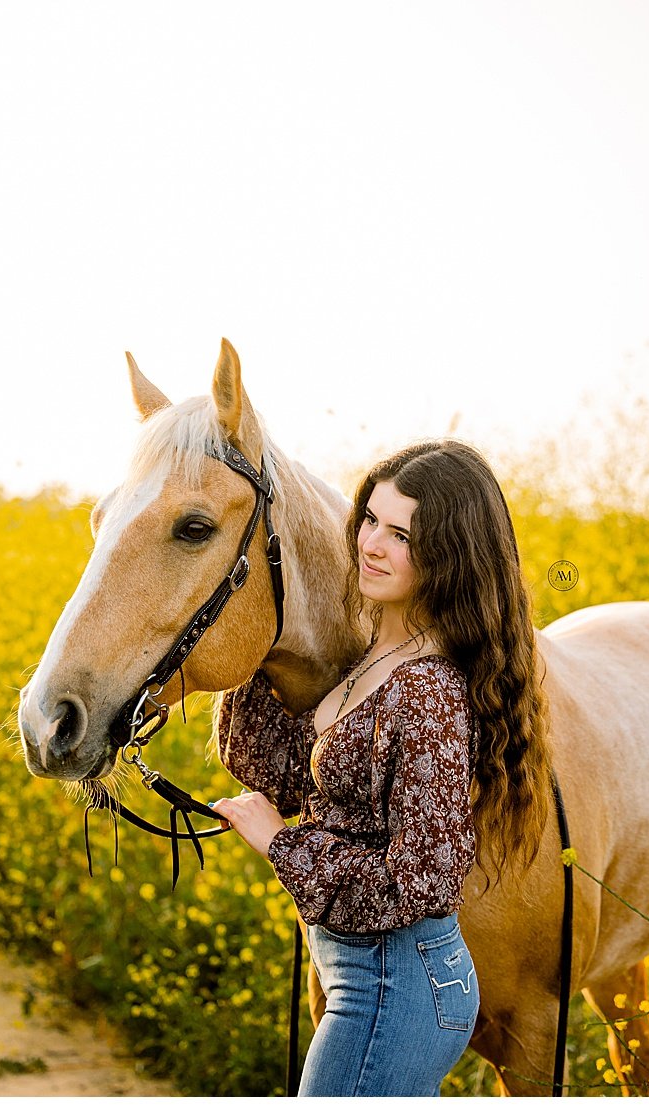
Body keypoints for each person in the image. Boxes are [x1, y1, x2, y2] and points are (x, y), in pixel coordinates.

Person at [210, 439, 553, 1097]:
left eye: (401, 534)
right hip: (367, 979)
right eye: (370, 518)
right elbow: (283, 772)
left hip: (397, 990)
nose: (371, 543)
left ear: (447, 557)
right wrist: (253, 635)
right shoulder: (372, 655)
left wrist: (284, 845)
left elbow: (419, 882)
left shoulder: (427, 691)